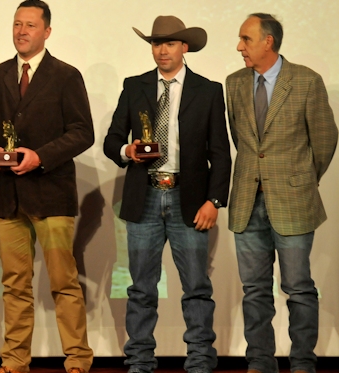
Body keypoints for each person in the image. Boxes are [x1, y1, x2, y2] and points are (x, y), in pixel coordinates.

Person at [0, 1, 94, 372]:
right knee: (15, 285)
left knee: (64, 282)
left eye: (29, 25)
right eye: (17, 24)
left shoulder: (66, 75)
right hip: (6, 199)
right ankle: (14, 362)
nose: (21, 31)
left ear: (47, 32)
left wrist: (39, 157)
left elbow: (82, 133)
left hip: (52, 196)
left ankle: (77, 360)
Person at [103, 15, 231, 373]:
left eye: (170, 43)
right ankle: (140, 361)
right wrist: (126, 151)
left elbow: (220, 152)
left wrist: (214, 201)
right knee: (142, 288)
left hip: (187, 200)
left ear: (184, 47)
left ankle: (200, 361)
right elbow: (112, 139)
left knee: (196, 287)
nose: (162, 50)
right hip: (143, 195)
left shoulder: (207, 90)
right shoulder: (135, 86)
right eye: (157, 43)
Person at [226, 13, 338, 373]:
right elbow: (241, 142)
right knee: (255, 290)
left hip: (293, 201)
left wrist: (300, 180)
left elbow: (324, 141)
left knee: (298, 287)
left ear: (268, 42)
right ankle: (260, 363)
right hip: (247, 201)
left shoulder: (306, 81)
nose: (239, 46)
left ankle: (303, 363)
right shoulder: (234, 83)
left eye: (246, 39)